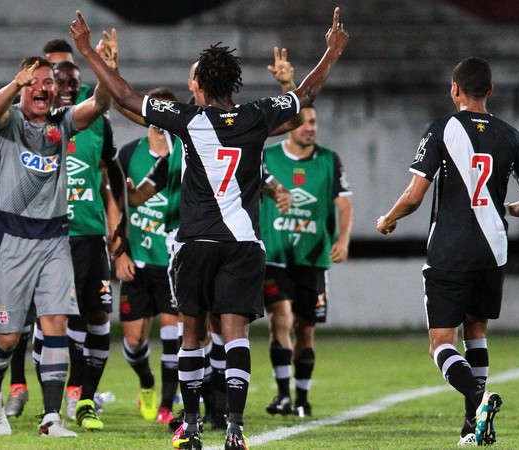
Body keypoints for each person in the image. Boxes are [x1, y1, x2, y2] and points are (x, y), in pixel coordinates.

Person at [70, 7, 348, 449]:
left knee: (193, 334)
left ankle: (193, 424)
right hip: (242, 243)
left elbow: (123, 95)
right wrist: (331, 52)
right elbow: (307, 92)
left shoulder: (187, 120)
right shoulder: (258, 115)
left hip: (195, 242)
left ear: (199, 85)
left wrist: (86, 49)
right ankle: (235, 428)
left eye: (191, 78)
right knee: (235, 333)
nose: (187, 83)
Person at [376, 56, 519, 446]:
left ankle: (478, 401)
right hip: (493, 249)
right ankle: (471, 430)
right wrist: (509, 208)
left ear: (455, 89)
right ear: (490, 91)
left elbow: (414, 196)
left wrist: (387, 219)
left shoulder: (442, 128)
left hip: (450, 249)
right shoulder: (512, 137)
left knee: (441, 342)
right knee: (476, 334)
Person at [0, 55, 111, 437]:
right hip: (11, 239)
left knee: (56, 322)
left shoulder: (62, 123)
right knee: (6, 337)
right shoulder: (9, 124)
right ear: (22, 87)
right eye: (33, 82)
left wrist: (103, 68)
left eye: (47, 82)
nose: (42, 88)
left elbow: (101, 104)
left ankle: (51, 417)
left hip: (54, 237)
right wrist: (13, 83)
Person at [261, 102, 353, 418]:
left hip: (312, 258)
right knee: (280, 318)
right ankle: (283, 395)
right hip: (275, 256)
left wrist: (342, 238)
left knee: (305, 330)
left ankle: (301, 397)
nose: (310, 127)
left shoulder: (329, 160)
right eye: (303, 122)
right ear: (289, 126)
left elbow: (343, 204)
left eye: (313, 121)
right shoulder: (268, 157)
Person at [116, 87, 181, 424]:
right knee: (133, 340)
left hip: (170, 262)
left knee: (173, 333)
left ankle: (167, 405)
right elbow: (115, 206)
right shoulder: (128, 154)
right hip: (136, 261)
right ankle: (146, 382)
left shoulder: (183, 156)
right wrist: (119, 252)